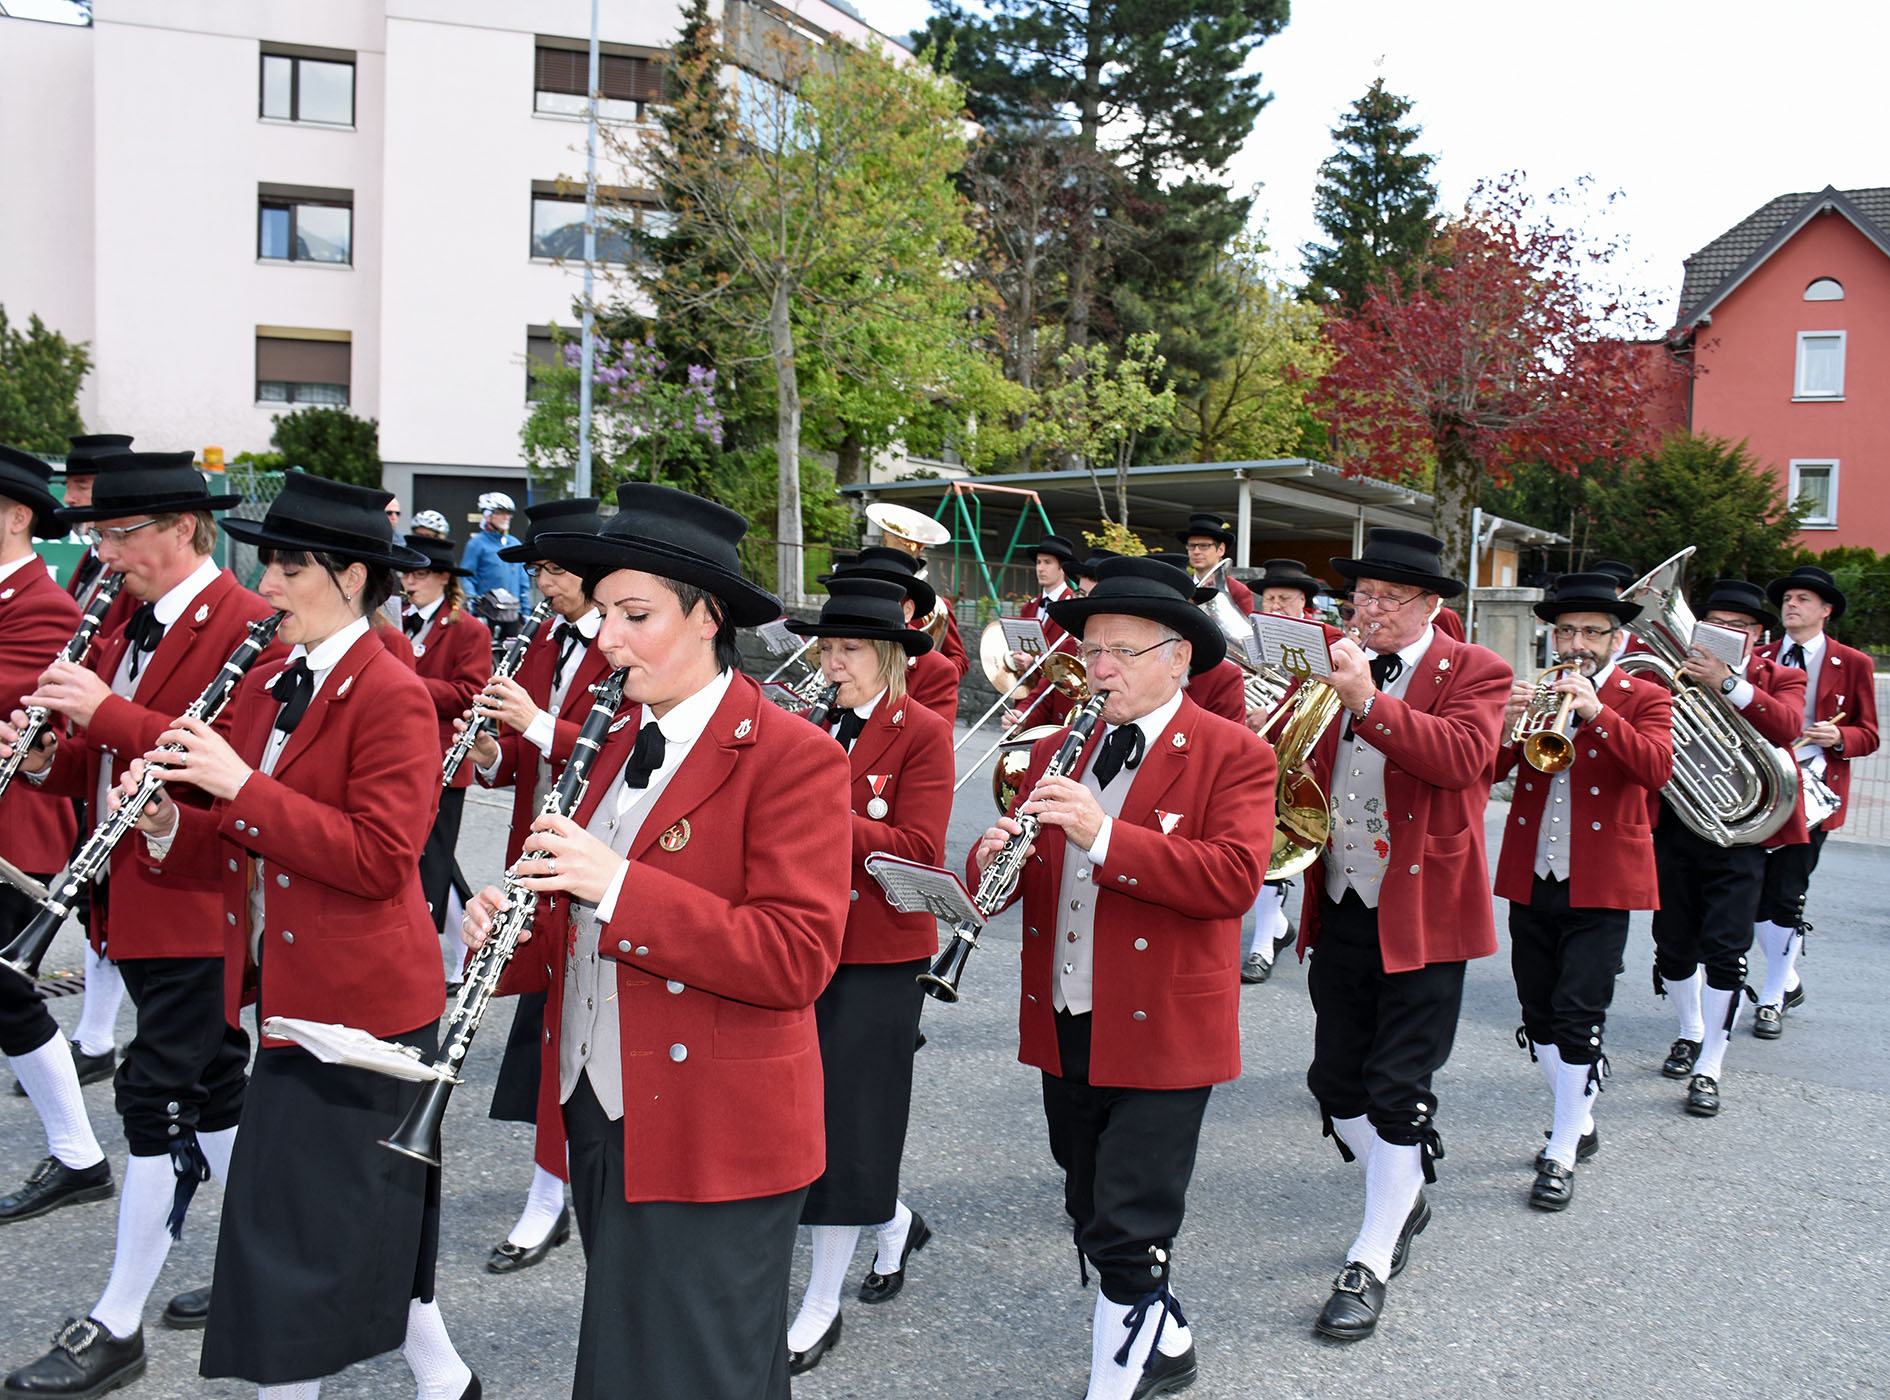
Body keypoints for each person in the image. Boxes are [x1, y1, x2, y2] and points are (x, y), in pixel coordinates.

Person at [460, 482, 851, 1400]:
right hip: (601, 1107)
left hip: (717, 1132)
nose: (608, 639)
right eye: (603, 614)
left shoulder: (794, 755)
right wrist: (504, 931)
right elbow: (573, 925)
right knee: (641, 1361)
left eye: (635, 616)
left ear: (707, 617)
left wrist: (618, 885)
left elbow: (795, 956)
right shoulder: (608, 738)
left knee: (697, 1373)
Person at [106, 471, 474, 1398]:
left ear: (350, 577)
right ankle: (445, 1379)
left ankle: (428, 1378)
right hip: (287, 999)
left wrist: (239, 785)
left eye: (288, 566)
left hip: (364, 1010)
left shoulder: (393, 694)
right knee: (328, 1227)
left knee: (304, 1246)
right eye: (265, 562)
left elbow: (381, 859)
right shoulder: (273, 681)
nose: (265, 584)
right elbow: (243, 839)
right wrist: (165, 824)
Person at [1, 452, 283, 1394]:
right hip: (129, 895)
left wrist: (108, 711)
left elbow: (228, 766)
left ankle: (116, 1324)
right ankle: (270, 1267)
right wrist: (43, 757)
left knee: (155, 1096)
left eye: (121, 535)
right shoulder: (125, 616)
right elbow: (94, 757)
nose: (106, 553)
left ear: (183, 529)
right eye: (100, 535)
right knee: (214, 1087)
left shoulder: (248, 627)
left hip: (199, 900)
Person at [969, 555, 1273, 1400]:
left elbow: (1233, 879)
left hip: (1164, 1027)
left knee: (1131, 1222)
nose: (1099, 668)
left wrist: (1102, 836)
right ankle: (1165, 1339)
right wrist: (992, 858)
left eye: (1121, 651)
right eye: (1092, 649)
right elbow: (1020, 878)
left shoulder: (1234, 753)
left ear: (1178, 658)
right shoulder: (1055, 748)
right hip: (1067, 1012)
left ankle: (1116, 1379)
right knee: (1088, 1203)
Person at [1293, 528, 1509, 1342]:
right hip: (1342, 895)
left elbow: (1461, 758)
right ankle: (1406, 1183)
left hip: (1426, 907)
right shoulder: (1336, 656)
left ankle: (1371, 1256)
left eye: (1388, 598)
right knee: (1334, 1083)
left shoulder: (1476, 669)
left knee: (1397, 1089)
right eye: (1363, 595)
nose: (1370, 610)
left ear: (1429, 605)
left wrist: (1366, 701)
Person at [780, 576, 953, 1376]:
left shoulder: (923, 731)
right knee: (801, 1111)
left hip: (879, 953)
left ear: (889, 654)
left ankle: (822, 1302)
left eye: (849, 649)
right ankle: (891, 1221)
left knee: (851, 1123)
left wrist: (823, 812)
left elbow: (918, 847)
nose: (832, 663)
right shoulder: (807, 720)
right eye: (826, 648)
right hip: (797, 938)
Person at [459, 497, 608, 1274]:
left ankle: (558, 1198)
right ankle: (552, 1192)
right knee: (545, 1037)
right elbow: (527, 758)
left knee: (576, 1035)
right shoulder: (546, 638)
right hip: (539, 856)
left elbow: (620, 749)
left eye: (555, 570)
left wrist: (535, 722)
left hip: (595, 861)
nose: (544, 585)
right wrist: (489, 750)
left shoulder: (627, 641)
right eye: (539, 570)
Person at [1492, 574, 1672, 1211]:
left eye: (1591, 632)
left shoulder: (1644, 694)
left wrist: (1598, 712)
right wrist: (1505, 724)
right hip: (1532, 874)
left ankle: (1562, 1147)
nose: (1576, 643)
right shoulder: (1539, 690)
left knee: (1578, 1017)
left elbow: (1656, 769)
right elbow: (1487, 773)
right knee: (1537, 1014)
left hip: (1603, 882)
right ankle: (1581, 1114)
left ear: (1616, 638)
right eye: (1566, 631)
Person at [0, 446, 110, 1236]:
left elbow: (23, 703)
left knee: (7, 996)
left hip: (16, 832)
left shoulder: (42, 606)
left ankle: (78, 1154)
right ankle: (77, 1154)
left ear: (16, 517)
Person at [1650, 579, 1807, 1116]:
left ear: (1757, 634)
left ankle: (1710, 1065)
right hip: (1677, 825)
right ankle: (1691, 1031)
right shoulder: (1668, 671)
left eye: (1737, 627)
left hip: (1742, 833)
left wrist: (1728, 683)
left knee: (1726, 949)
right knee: (1672, 946)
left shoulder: (1781, 676)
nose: (1724, 633)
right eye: (1714, 625)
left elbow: (1788, 725)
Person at [1749, 566, 1879, 1036]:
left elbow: (1869, 734)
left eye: (1803, 599)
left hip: (1815, 792)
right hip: (1758, 789)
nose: (1791, 605)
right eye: (1787, 598)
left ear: (1825, 610)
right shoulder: (1759, 657)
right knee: (1749, 893)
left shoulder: (1854, 663)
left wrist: (1839, 736)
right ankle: (1787, 979)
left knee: (1787, 893)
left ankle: (1772, 997)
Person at [53, 434, 138, 1074]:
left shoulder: (128, 573)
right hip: (94, 740)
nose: (71, 497)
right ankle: (95, 1034)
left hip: (123, 745)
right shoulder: (92, 559)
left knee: (114, 899)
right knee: (97, 902)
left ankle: (97, 1036)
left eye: (80, 486)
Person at [400, 536, 493, 949]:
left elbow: (472, 693)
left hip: (445, 758)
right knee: (425, 856)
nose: (409, 582)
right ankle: (461, 946)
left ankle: (451, 947)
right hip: (398, 754)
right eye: (406, 574)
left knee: (435, 857)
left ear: (443, 578)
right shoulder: (394, 620)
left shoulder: (469, 629)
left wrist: (405, 683)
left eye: (419, 574)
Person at [1241, 559, 1329, 986]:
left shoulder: (1323, 640)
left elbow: (1314, 699)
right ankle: (1274, 929)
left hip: (1297, 755)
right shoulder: (1258, 637)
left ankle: (1263, 943)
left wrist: (1272, 716)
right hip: (1259, 746)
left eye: (1283, 599)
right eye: (1269, 598)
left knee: (1271, 843)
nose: (1274, 605)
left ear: (1304, 602)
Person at [822, 547, 961, 722]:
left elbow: (930, 731)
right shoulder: (837, 650)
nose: (866, 605)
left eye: (886, 596)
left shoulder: (936, 669)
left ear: (907, 610)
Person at [1175, 512, 1255, 615]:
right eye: (1191, 546)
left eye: (1204, 545)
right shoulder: (1181, 587)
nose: (1196, 551)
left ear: (1221, 549)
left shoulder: (1238, 591)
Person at [459, 492, 529, 601]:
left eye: (509, 513)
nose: (506, 517)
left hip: (514, 608)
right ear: (487, 515)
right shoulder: (476, 544)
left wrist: (525, 608)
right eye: (500, 513)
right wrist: (473, 602)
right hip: (488, 608)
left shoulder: (515, 543)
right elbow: (467, 577)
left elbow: (523, 581)